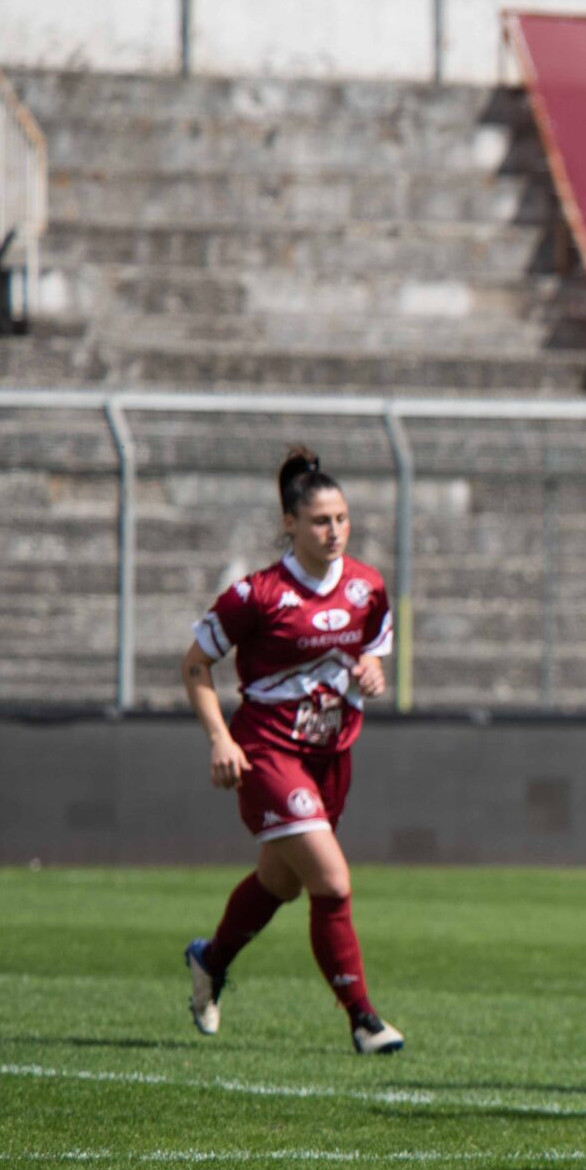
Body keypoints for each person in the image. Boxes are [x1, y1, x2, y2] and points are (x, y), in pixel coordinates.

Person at [179, 446, 404, 1055]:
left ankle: (210, 960)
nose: (334, 531)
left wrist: (372, 669)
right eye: (320, 521)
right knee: (331, 880)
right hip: (268, 752)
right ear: (290, 523)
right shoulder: (255, 595)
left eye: (342, 519)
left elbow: (371, 648)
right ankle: (363, 1019)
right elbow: (196, 664)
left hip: (331, 755)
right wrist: (220, 738)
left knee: (279, 882)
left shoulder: (366, 586)